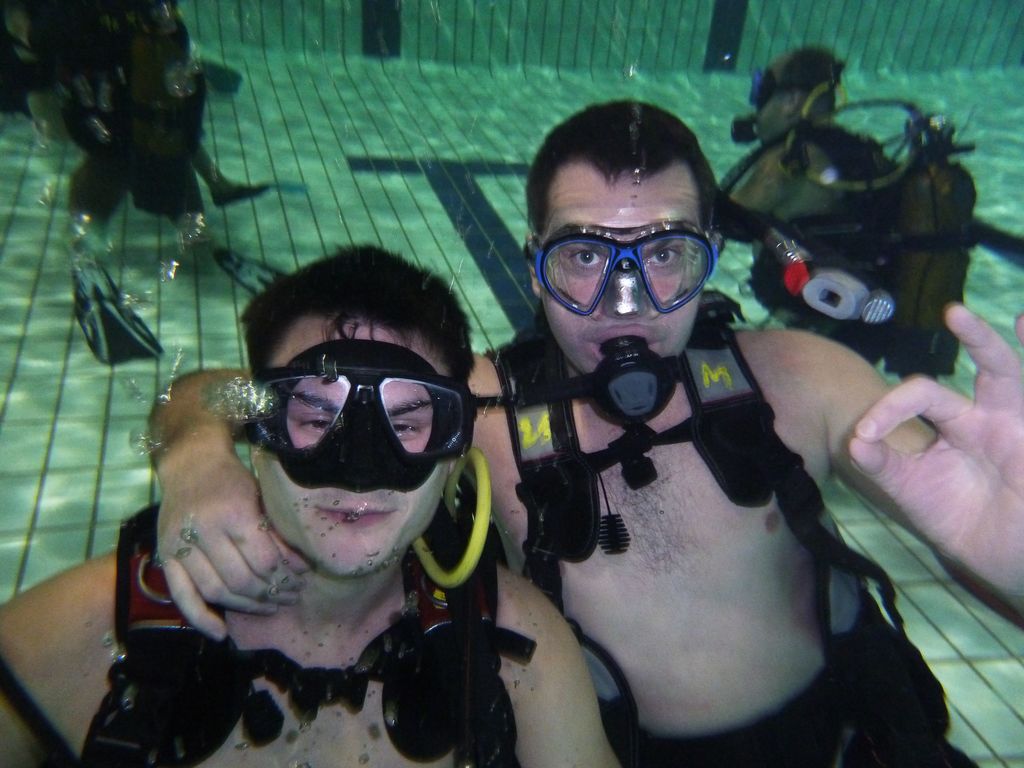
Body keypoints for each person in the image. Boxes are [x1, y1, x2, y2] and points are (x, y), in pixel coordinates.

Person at [145, 101, 1024, 767]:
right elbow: (223, 391)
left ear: (710, 256)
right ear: (535, 263)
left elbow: (999, 565)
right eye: (583, 257)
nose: (624, 303)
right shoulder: (485, 407)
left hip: (851, 741)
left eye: (665, 255)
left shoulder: (802, 381)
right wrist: (196, 455)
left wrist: (1005, 547)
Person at [0, 245, 619, 768]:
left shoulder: (520, 651)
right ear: (253, 431)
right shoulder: (79, 638)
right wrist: (194, 453)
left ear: (455, 448)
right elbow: (207, 394)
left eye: (407, 423)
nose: (359, 473)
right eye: (316, 419)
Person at [5, 0, 273, 364]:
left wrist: (22, 28)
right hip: (148, 95)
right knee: (160, 150)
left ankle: (87, 249)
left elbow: (40, 39)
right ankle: (198, 244)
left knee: (110, 164)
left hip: (109, 93)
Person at [722, 46, 976, 377]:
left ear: (792, 101)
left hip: (820, 332)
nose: (756, 102)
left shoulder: (789, 162)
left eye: (761, 87)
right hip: (871, 328)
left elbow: (720, 218)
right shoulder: (866, 153)